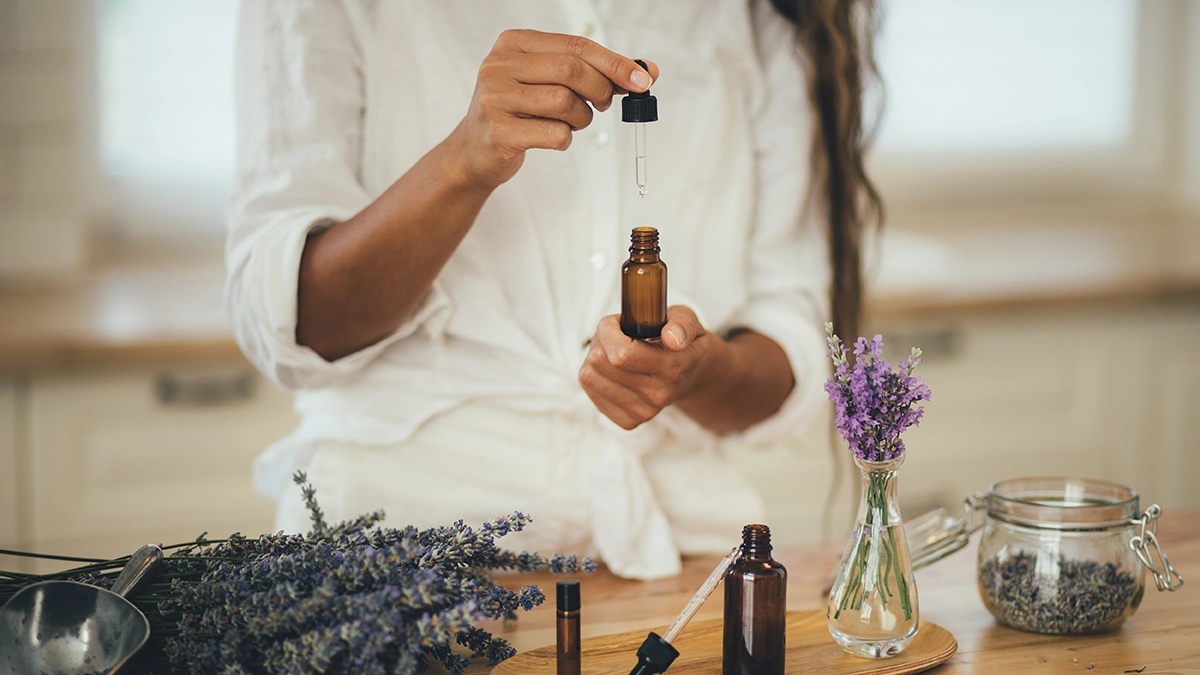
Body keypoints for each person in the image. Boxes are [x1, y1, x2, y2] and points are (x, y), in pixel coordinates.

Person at [227, 0, 881, 580]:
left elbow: (790, 341)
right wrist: (462, 162)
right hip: (393, 551)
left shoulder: (759, 15)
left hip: (671, 555)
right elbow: (292, 322)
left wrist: (698, 369)